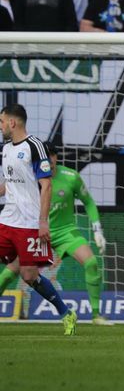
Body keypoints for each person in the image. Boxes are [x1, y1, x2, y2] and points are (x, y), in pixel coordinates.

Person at [0, 142, 114, 325]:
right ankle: (63, 312)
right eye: (45, 156)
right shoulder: (28, 175)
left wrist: (97, 229)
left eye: (51, 156)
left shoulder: (71, 177)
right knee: (9, 274)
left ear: (56, 158)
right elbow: (6, 189)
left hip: (65, 232)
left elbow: (89, 202)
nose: (48, 160)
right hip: (36, 233)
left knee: (91, 262)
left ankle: (96, 315)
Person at [0, 104, 77, 335]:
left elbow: (46, 185)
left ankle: (66, 313)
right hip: (7, 219)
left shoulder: (35, 147)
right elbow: (8, 185)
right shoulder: (5, 149)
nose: (1, 126)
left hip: (29, 224)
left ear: (13, 123)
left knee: (29, 275)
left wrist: (43, 222)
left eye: (2, 121)